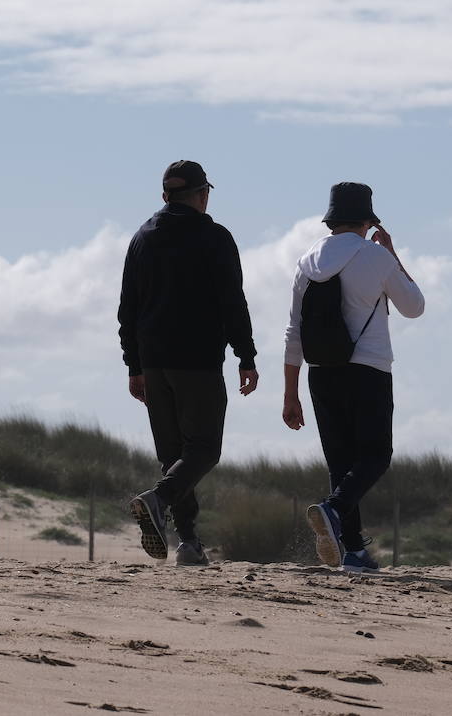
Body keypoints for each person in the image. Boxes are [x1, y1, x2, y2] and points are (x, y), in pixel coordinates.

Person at [119, 160, 259, 565]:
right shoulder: (214, 237)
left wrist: (134, 366)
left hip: (153, 361)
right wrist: (246, 355)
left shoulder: (142, 238)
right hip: (197, 359)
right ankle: (159, 500)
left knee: (174, 454)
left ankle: (189, 543)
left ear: (165, 196)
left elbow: (128, 308)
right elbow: (232, 301)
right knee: (204, 449)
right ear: (202, 195)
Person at [282, 182, 424, 573]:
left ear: (331, 220)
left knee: (340, 463)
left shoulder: (307, 261)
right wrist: (393, 255)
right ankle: (333, 510)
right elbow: (414, 306)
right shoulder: (376, 257)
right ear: (367, 221)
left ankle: (354, 551)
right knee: (375, 455)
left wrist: (290, 393)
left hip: (320, 373)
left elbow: (294, 332)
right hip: (368, 369)